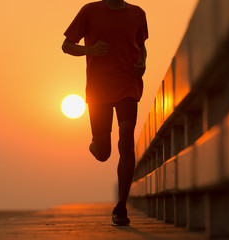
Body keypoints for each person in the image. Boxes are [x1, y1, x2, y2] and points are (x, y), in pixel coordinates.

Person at [62, 0, 148, 226]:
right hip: (99, 88)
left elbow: (142, 45)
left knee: (127, 140)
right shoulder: (89, 11)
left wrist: (143, 62)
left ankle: (121, 207)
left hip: (128, 84)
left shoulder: (137, 13)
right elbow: (66, 45)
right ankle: (96, 144)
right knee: (103, 153)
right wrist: (90, 50)